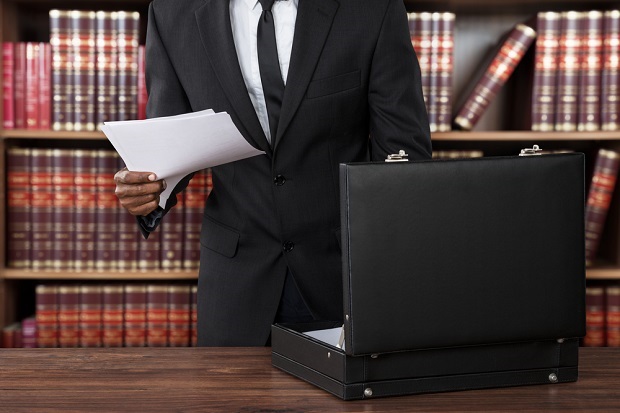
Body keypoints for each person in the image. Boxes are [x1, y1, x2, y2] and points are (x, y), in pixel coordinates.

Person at [114, 0, 432, 346]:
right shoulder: (172, 12)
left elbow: (403, 153)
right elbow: (170, 139)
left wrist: (397, 272)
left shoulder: (373, 9)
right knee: (232, 402)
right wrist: (147, 189)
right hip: (235, 281)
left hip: (343, 273)